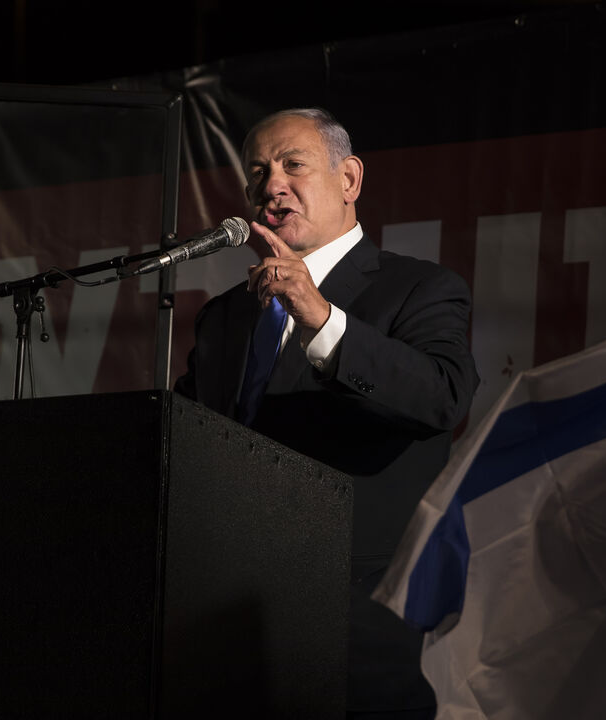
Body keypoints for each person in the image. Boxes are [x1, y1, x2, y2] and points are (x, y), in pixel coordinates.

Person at [175, 107, 478, 717]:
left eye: (293, 165)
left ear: (349, 180)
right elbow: (191, 438)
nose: (271, 185)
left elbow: (443, 396)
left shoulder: (419, 288)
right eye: (257, 172)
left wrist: (321, 319)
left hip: (362, 613)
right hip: (233, 619)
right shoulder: (226, 316)